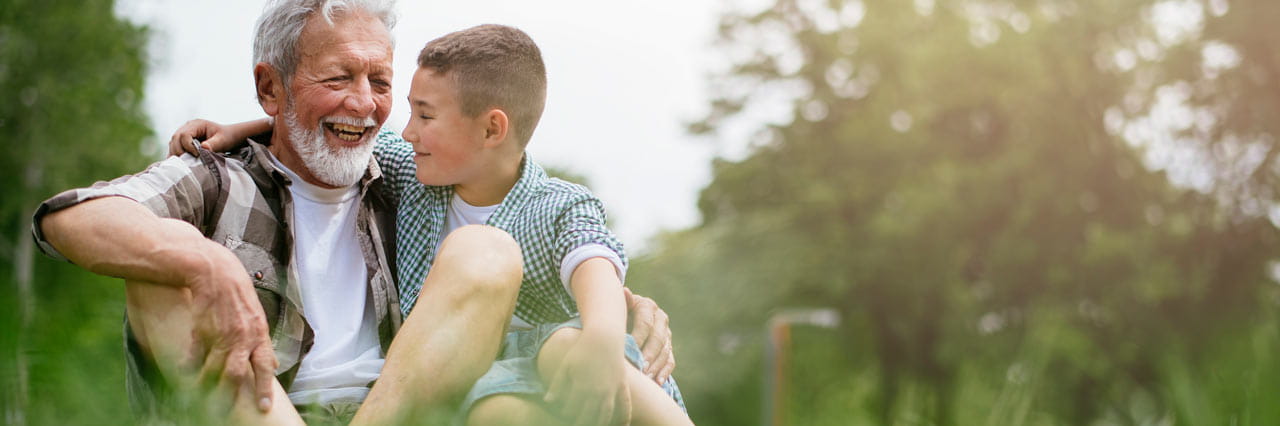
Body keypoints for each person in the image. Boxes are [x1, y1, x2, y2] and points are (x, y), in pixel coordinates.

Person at [33, 1, 675, 424]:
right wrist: (204, 262)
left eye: (381, 82)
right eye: (339, 77)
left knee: (491, 252)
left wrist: (615, 306)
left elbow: (525, 226)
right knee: (165, 259)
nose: (366, 105)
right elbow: (71, 217)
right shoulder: (216, 179)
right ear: (270, 87)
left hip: (397, 411)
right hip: (261, 408)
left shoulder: (407, 176)